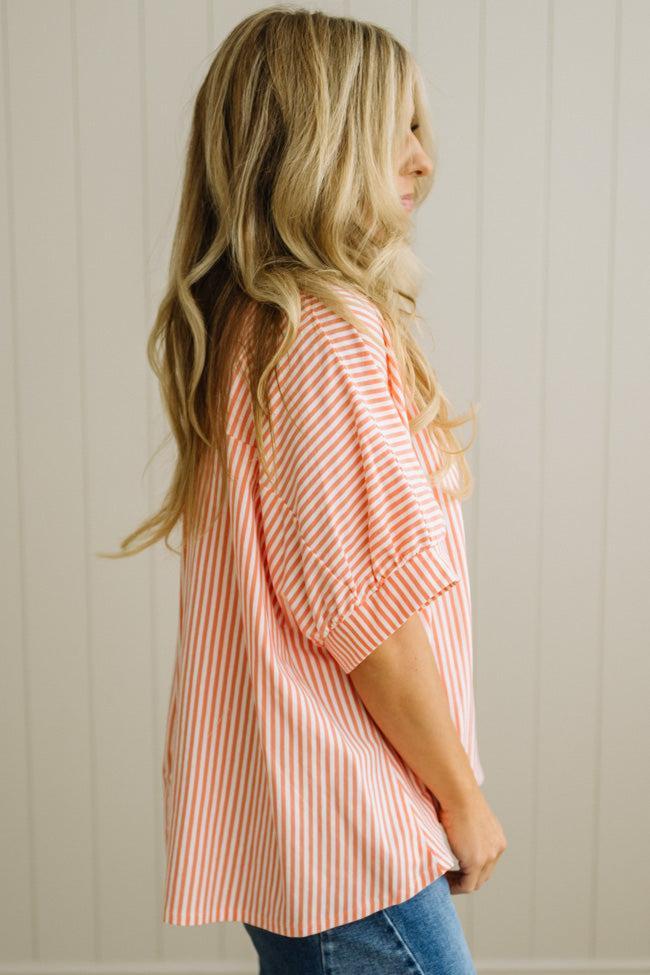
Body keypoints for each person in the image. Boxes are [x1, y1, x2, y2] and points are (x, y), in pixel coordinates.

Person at [101, 5, 507, 972]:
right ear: (322, 142)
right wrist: (463, 798)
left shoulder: (257, 326)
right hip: (351, 824)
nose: (423, 160)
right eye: (397, 127)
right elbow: (369, 616)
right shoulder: (319, 337)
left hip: (306, 819)